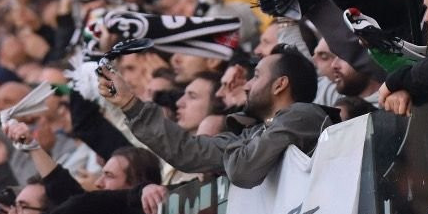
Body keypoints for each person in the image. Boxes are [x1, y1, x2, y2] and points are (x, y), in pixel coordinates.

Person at [108, 45, 331, 190]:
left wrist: (230, 142)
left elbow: (243, 170)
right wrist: (130, 104)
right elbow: (187, 151)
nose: (247, 85)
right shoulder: (252, 134)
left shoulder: (305, 116)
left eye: (256, 76)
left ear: (280, 84)